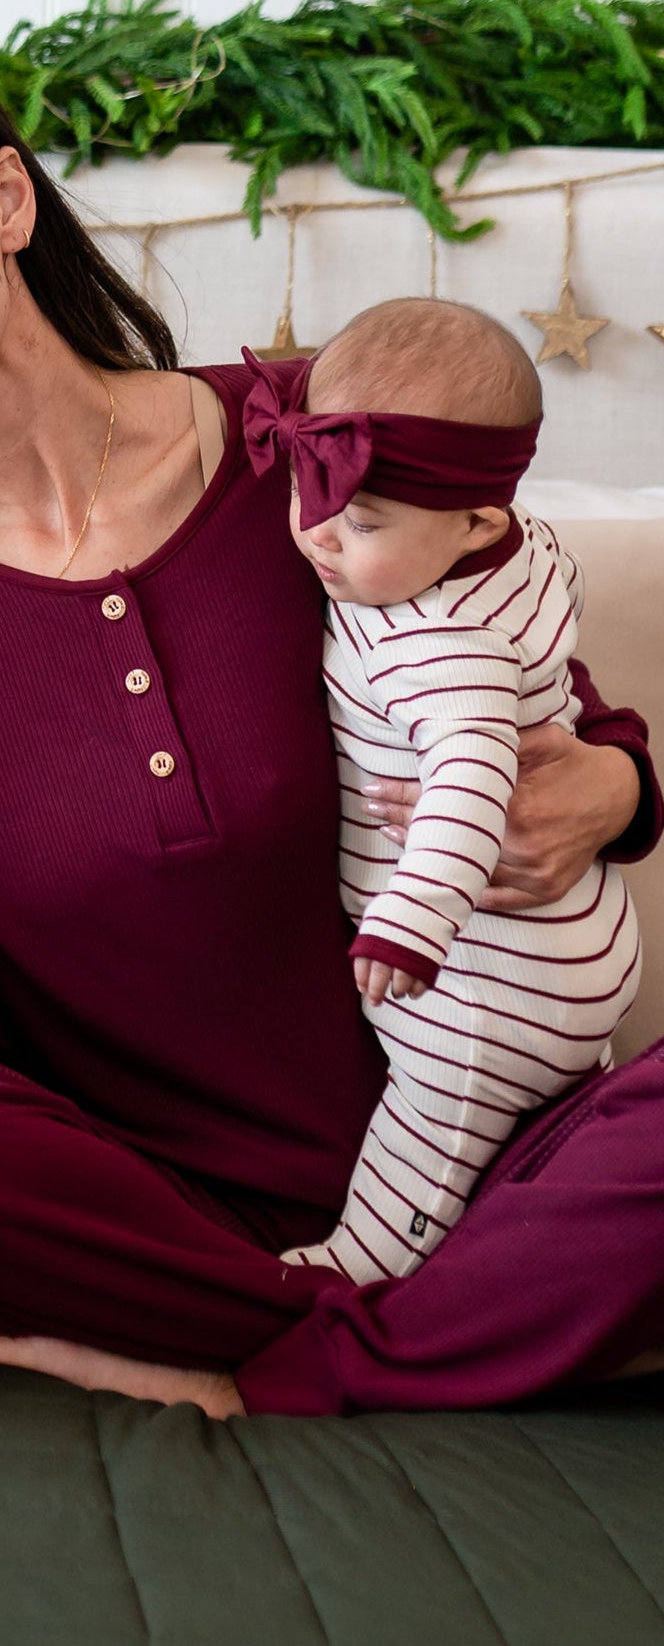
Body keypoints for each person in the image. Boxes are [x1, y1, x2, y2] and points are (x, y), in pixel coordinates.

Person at [0, 11, 664, 1418]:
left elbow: (533, 685)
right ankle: (471, 1331)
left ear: (8, 196)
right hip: (150, 1210)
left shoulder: (300, 439)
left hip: (499, 1144)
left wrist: (624, 789)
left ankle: (297, 1363)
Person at [243, 305, 640, 1282]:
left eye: (363, 521)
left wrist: (408, 921)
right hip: (574, 944)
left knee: (425, 1132)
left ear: (474, 523)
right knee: (544, 1147)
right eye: (311, 493)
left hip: (479, 979)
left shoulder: (434, 642)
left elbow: (470, 777)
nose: (320, 537)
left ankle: (356, 1270)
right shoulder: (526, 560)